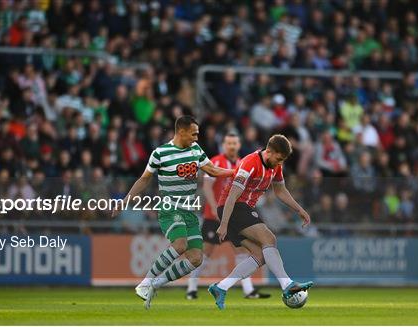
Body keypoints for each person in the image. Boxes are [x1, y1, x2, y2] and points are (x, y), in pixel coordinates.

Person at [112, 116, 234, 309]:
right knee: (180, 244)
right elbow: (144, 179)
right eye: (194, 134)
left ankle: (156, 284)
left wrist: (235, 172)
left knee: (196, 258)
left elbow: (212, 170)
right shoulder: (160, 153)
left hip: (189, 211)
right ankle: (145, 283)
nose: (196, 138)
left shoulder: (195, 150)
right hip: (170, 208)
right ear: (181, 132)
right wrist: (127, 198)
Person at [209, 134, 313, 310]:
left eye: (283, 160)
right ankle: (287, 285)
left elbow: (280, 191)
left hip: (244, 208)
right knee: (269, 239)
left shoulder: (276, 166)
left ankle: (221, 287)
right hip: (233, 207)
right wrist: (224, 223)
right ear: (269, 151)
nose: (280, 163)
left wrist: (299, 210)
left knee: (259, 255)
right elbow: (233, 194)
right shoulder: (249, 163)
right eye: (279, 159)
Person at [186, 132, 270, 300]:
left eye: (234, 143)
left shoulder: (243, 163)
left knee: (241, 252)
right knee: (205, 254)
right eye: (229, 143)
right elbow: (207, 187)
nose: (232, 146)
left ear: (239, 145)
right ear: (224, 145)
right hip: (213, 216)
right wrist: (215, 209)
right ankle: (191, 289)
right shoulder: (216, 161)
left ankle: (248, 290)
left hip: (234, 216)